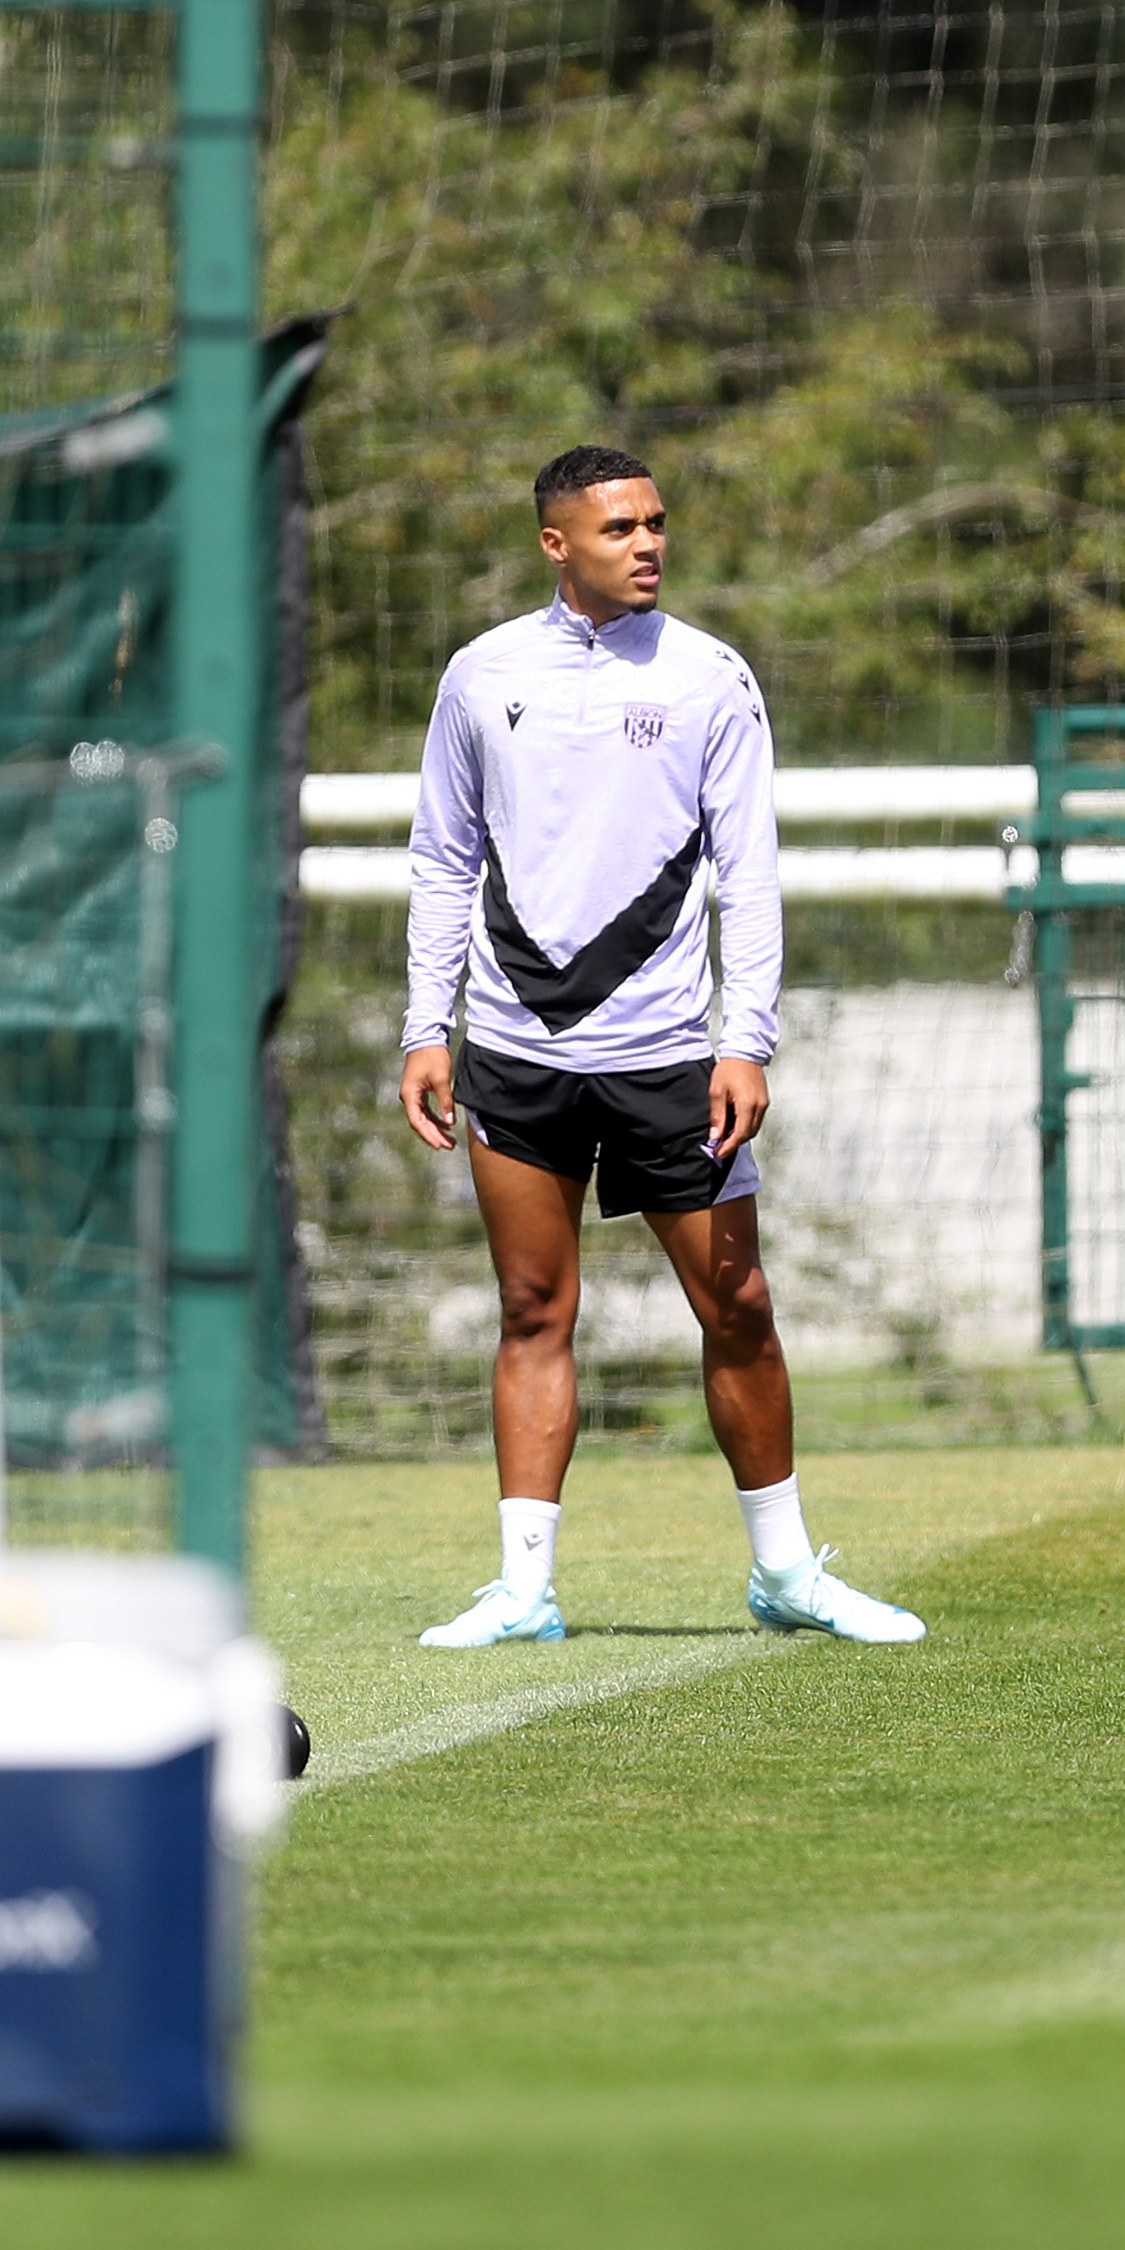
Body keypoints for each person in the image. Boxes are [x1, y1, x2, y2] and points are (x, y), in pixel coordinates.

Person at [395, 446, 925, 1649]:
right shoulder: (481, 676)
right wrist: (426, 1025)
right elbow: (441, 859)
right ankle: (522, 1590)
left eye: (656, 523)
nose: (647, 544)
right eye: (619, 527)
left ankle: (785, 1573)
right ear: (554, 543)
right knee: (533, 1307)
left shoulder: (707, 678)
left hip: (671, 1056)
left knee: (734, 1301)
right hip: (515, 1050)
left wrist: (746, 1040)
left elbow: (749, 873)